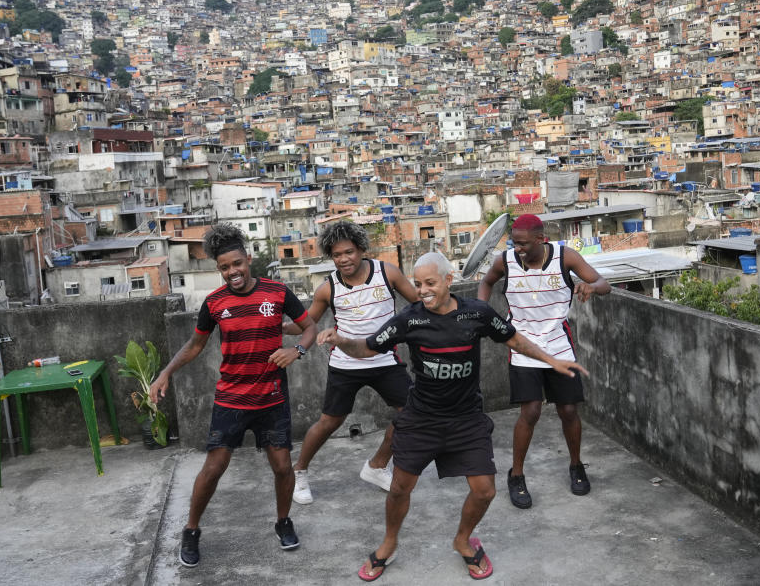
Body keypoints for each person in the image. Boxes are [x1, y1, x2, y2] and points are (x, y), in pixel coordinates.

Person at [319, 252, 587, 581]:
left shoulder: (478, 313)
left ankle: (462, 540)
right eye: (417, 284)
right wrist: (342, 340)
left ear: (448, 280)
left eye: (430, 283)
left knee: (485, 490)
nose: (422, 290)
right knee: (400, 488)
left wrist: (553, 361)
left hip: (466, 419)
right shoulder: (409, 319)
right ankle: (389, 544)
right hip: (421, 418)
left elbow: (514, 339)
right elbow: (367, 348)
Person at [149, 222, 317, 567]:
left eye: (237, 264)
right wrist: (166, 372)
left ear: (248, 259)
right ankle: (191, 530)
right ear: (218, 269)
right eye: (225, 267)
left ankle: (283, 522)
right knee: (214, 468)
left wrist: (296, 351)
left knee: (283, 466)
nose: (232, 272)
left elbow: (310, 326)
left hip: (272, 398)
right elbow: (196, 345)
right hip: (231, 399)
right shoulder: (214, 303)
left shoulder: (277, 292)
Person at [477, 214, 610, 508]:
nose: (517, 248)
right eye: (514, 242)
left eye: (523, 243)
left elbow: (604, 283)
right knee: (531, 411)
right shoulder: (505, 261)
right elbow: (486, 282)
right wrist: (481, 311)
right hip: (522, 345)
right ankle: (517, 474)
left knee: (568, 410)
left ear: (541, 239)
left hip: (559, 347)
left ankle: (576, 466)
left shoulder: (566, 258)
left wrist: (591, 287)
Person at [284, 220, 418, 504]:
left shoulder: (387, 273)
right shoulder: (327, 289)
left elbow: (418, 303)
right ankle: (300, 472)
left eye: (349, 252)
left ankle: (377, 466)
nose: (344, 259)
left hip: (383, 358)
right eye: (336, 255)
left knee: (413, 413)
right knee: (329, 422)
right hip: (346, 363)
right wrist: (276, 325)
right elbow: (305, 324)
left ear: (361, 250)